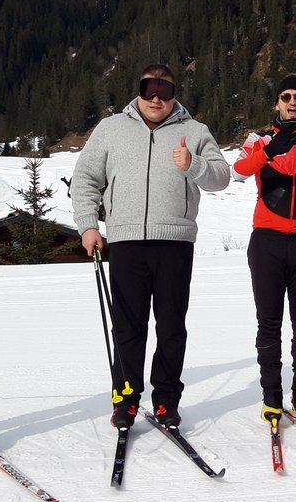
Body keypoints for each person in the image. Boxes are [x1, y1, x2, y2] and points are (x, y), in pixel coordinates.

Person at [70, 64, 231, 430]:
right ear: (139, 90)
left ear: (175, 92)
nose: (156, 97)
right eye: (148, 88)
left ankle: (166, 402)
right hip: (125, 242)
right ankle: (125, 399)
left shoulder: (194, 131)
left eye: (164, 89)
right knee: (127, 326)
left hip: (174, 242)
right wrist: (88, 226)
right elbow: (86, 179)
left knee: (171, 326)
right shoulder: (111, 129)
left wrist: (195, 165)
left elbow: (221, 177)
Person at [231, 75, 296, 426]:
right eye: (285, 97)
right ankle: (271, 395)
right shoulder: (257, 141)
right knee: (269, 324)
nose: (292, 102)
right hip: (267, 242)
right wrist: (270, 149)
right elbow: (239, 172)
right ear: (276, 103)